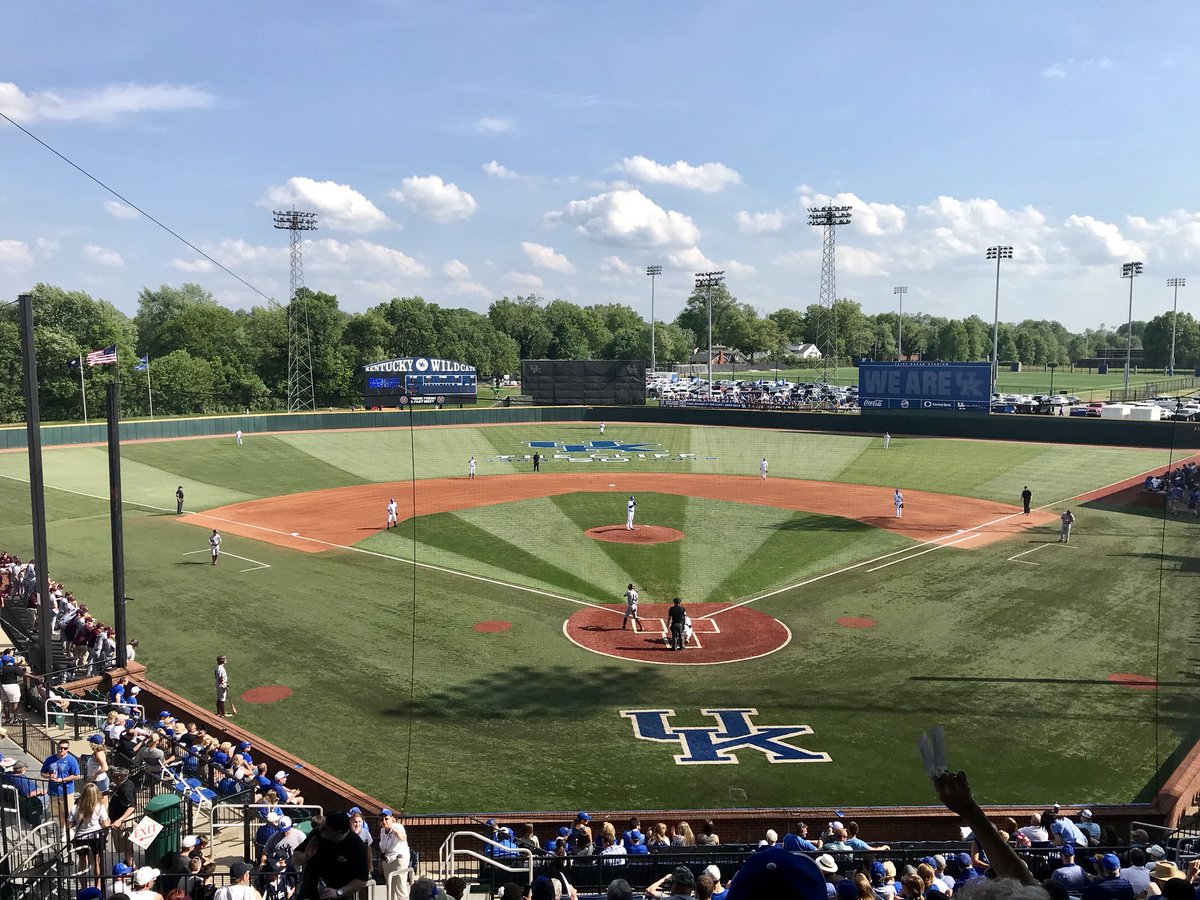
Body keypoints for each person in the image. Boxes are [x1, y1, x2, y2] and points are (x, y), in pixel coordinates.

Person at [294, 811, 371, 900]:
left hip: (337, 894)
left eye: (325, 828)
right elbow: (295, 859)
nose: (321, 829)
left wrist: (339, 892)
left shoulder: (356, 845)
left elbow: (362, 880)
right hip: (309, 892)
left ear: (339, 831)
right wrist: (305, 857)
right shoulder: (317, 833)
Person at [70, 782, 111, 882]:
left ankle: (84, 886)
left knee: (82, 862)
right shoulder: (100, 807)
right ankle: (98, 886)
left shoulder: (75, 808)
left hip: (80, 837)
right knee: (96, 862)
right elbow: (105, 824)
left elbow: (69, 825)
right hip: (96, 836)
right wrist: (109, 822)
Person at [42, 738, 81, 825]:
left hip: (67, 792)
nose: (62, 750)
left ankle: (69, 828)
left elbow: (77, 776)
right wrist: (49, 776)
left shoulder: (71, 760)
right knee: (57, 813)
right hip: (53, 792)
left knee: (68, 813)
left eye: (65, 748)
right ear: (57, 747)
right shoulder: (50, 759)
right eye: (60, 748)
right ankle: (62, 828)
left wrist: (63, 780)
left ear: (68, 749)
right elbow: (42, 773)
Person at [378, 808, 411, 900]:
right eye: (381, 819)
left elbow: (403, 838)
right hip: (387, 859)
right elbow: (383, 848)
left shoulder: (398, 827)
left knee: (400, 885)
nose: (384, 821)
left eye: (386, 819)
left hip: (399, 858)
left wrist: (396, 832)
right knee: (390, 886)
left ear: (392, 818)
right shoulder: (382, 831)